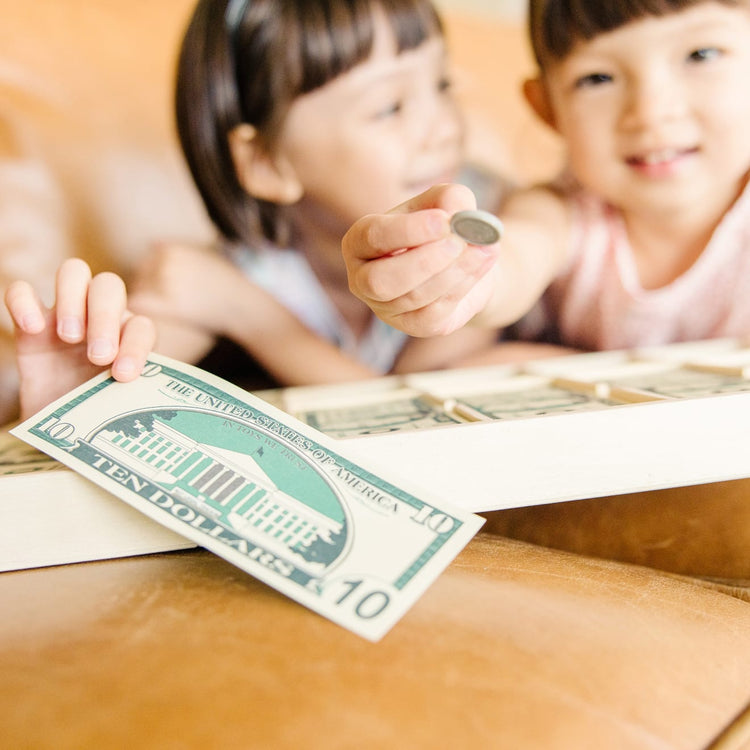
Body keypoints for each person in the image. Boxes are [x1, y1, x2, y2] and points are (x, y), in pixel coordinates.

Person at [125, 0, 513, 389]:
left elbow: (411, 412)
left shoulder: (490, 226)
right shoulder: (240, 273)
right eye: (389, 107)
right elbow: (113, 381)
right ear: (267, 162)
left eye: (442, 84)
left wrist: (249, 314)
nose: (445, 129)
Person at [342, 0, 750, 352]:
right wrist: (457, 279)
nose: (650, 112)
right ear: (548, 110)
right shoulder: (558, 213)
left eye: (701, 55)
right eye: (598, 78)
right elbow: (512, 262)